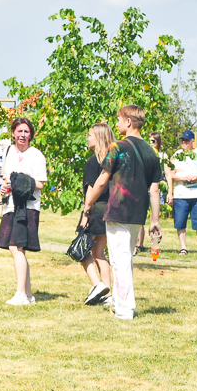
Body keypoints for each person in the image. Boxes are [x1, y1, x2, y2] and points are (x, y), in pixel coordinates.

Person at [83, 105, 163, 320]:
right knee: (125, 259)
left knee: (120, 260)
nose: (116, 123)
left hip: (118, 210)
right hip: (138, 213)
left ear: (128, 121)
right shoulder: (151, 152)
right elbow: (154, 189)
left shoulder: (116, 147)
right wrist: (155, 220)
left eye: (118, 119)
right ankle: (119, 302)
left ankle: (125, 309)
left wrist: (88, 203)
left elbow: (102, 180)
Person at [0, 117, 47, 306]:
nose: (23, 135)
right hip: (11, 204)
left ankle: (21, 294)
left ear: (31, 135)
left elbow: (41, 183)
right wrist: (5, 187)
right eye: (19, 131)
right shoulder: (9, 151)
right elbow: (6, 177)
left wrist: (21, 183)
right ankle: (28, 293)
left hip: (27, 206)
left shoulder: (36, 155)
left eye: (26, 132)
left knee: (16, 247)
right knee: (17, 248)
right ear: (13, 133)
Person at [80, 124, 115, 306]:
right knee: (99, 253)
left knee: (81, 250)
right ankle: (108, 295)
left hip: (94, 209)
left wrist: (86, 211)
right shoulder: (111, 161)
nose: (87, 138)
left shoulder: (93, 161)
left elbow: (91, 189)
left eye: (90, 135)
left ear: (99, 137)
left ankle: (97, 286)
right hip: (108, 209)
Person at [166, 130, 197, 255]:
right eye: (182, 140)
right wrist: (182, 178)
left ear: (193, 141)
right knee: (180, 221)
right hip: (181, 194)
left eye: (186, 140)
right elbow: (170, 174)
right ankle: (183, 247)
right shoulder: (177, 154)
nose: (184, 142)